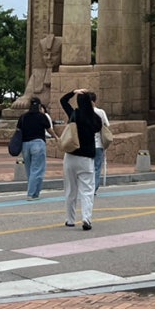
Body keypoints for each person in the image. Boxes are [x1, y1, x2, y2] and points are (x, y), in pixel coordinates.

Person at [60, 88, 102, 230]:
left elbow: (63, 101)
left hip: (71, 156)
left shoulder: (74, 114)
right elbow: (98, 129)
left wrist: (73, 92)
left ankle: (70, 219)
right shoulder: (95, 118)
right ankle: (86, 218)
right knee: (87, 190)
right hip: (86, 158)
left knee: (70, 190)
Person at [15, 96, 50, 200]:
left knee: (29, 170)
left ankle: (35, 193)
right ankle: (31, 194)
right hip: (38, 143)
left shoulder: (23, 117)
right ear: (39, 106)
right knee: (38, 169)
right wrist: (57, 137)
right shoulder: (41, 116)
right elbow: (49, 129)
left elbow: (18, 130)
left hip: (25, 145)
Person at [88, 91, 110, 194]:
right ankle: (94, 188)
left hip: (86, 144)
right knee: (97, 167)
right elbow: (106, 125)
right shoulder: (100, 112)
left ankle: (87, 187)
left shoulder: (82, 112)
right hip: (98, 144)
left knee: (88, 167)